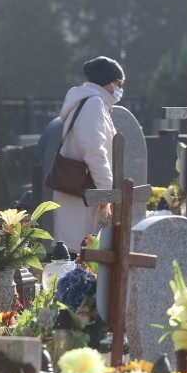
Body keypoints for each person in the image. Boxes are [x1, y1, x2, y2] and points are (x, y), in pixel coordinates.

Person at [53, 56, 124, 253]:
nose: (120, 88)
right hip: (84, 194)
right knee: (83, 256)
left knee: (80, 254)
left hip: (79, 191)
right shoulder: (93, 103)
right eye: (120, 83)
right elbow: (93, 150)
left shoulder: (89, 101)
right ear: (109, 82)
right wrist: (107, 192)